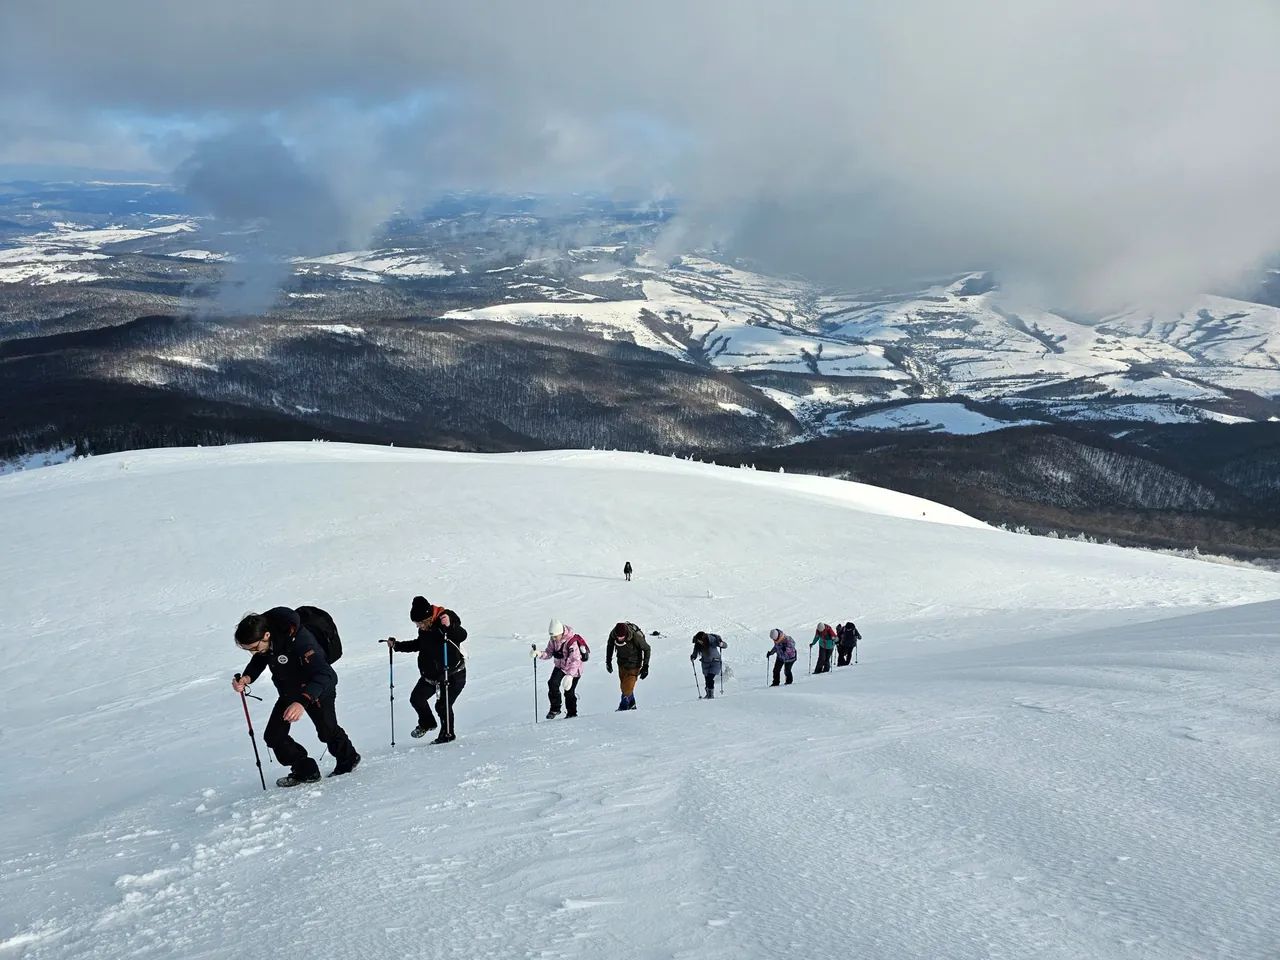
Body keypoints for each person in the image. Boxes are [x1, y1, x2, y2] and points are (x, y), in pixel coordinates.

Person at [233, 607, 360, 786]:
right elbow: (261, 657)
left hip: (317, 691)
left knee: (327, 731)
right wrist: (247, 677)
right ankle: (306, 771)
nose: (253, 652)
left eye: (254, 648)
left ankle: (349, 758)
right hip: (290, 691)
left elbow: (326, 675)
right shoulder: (268, 643)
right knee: (274, 736)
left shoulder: (302, 641)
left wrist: (302, 702)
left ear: (266, 635)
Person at [387, 595, 468, 744]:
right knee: (417, 699)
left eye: (420, 623)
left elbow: (462, 635)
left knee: (442, 705)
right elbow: (419, 644)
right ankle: (427, 723)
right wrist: (397, 646)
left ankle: (447, 735)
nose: (418, 626)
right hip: (431, 676)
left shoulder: (445, 620)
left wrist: (450, 626)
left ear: (428, 618)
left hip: (452, 674)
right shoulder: (425, 629)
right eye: (416, 624)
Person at [535, 618, 587, 719]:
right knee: (552, 683)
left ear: (561, 633)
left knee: (569, 691)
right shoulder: (553, 640)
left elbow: (576, 660)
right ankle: (555, 708)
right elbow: (549, 653)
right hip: (560, 667)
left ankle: (572, 713)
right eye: (552, 636)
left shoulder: (571, 642)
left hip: (574, 670)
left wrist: (570, 676)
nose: (553, 638)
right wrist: (539, 654)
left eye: (555, 636)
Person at [605, 620, 651, 710]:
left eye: (622, 637)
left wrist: (645, 666)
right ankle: (632, 704)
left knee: (627, 689)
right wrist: (608, 662)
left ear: (626, 634)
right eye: (618, 637)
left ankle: (623, 707)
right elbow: (610, 646)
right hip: (621, 663)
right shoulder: (613, 634)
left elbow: (647, 649)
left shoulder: (635, 636)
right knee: (624, 686)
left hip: (634, 664)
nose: (620, 639)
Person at [690, 630, 727, 699]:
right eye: (698, 641)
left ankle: (711, 695)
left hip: (715, 662)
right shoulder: (698, 643)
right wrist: (693, 656)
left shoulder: (712, 640)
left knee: (710, 678)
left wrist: (721, 644)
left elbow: (725, 645)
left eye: (700, 641)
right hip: (705, 663)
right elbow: (695, 651)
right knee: (707, 680)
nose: (700, 642)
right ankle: (708, 694)